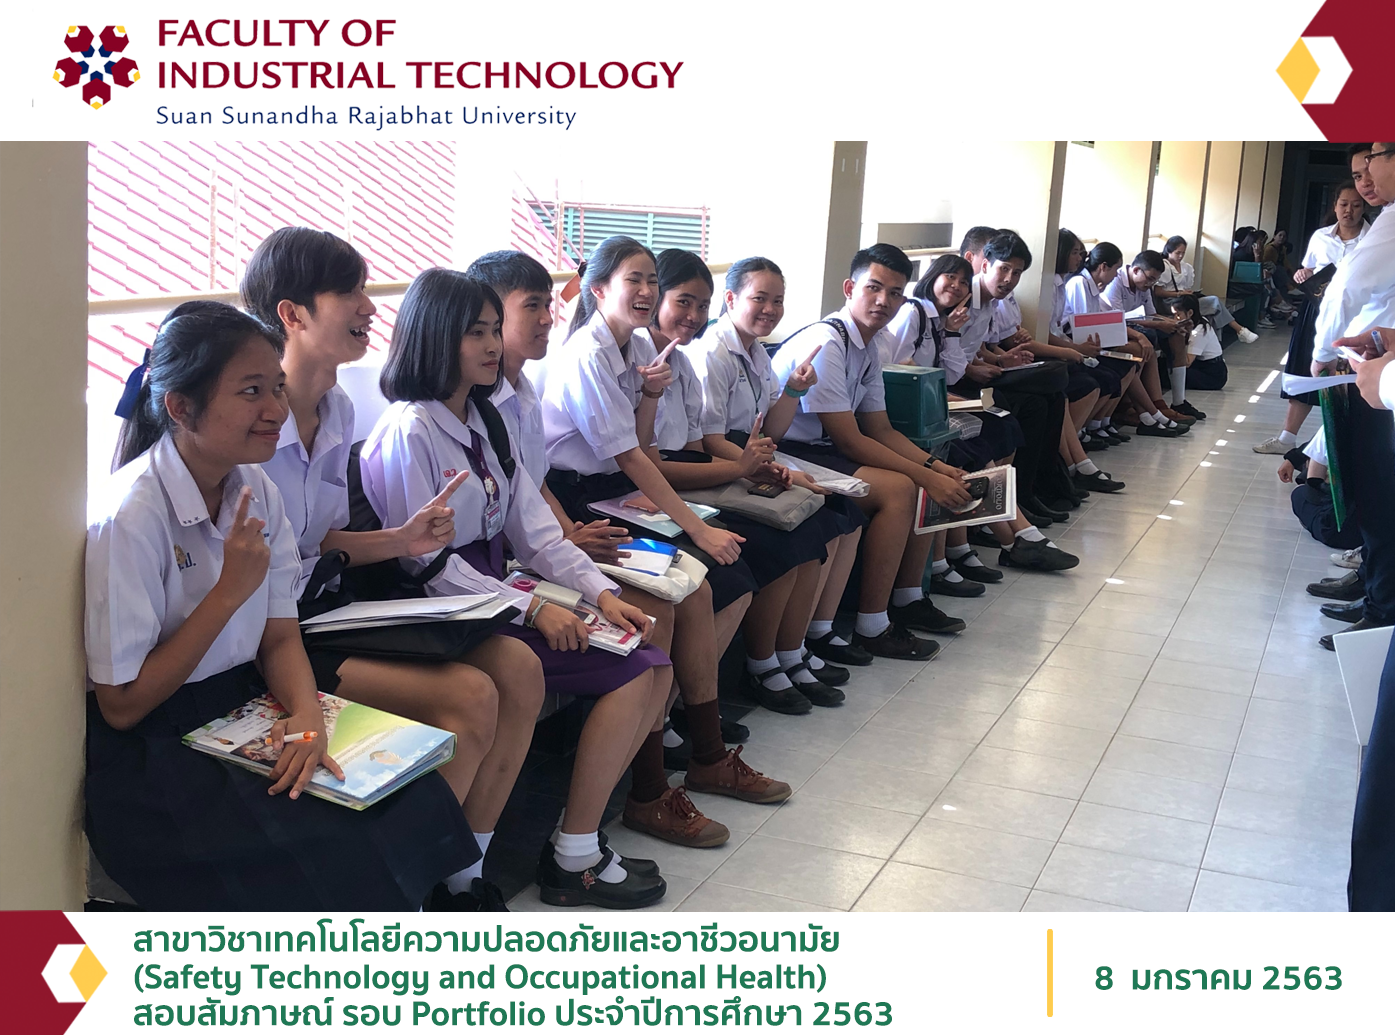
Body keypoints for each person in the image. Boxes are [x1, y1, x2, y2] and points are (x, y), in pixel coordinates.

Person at [86, 301, 480, 910]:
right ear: (181, 408)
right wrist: (228, 592)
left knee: (415, 797)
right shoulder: (131, 516)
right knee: (336, 845)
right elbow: (122, 705)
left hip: (244, 701)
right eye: (251, 392)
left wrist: (307, 716)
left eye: (276, 387)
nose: (275, 410)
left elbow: (279, 636)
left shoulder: (254, 486)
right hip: (160, 744)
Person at [243, 227, 545, 911]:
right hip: (272, 633)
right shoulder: (256, 424)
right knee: (471, 696)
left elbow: (319, 541)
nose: (368, 306)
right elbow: (256, 568)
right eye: (349, 293)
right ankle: (410, 892)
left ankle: (463, 876)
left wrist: (401, 538)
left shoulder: (337, 407)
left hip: (321, 609)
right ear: (292, 314)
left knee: (519, 668)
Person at [360, 268, 673, 909]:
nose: (491, 345)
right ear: (433, 337)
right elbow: (425, 565)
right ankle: (466, 874)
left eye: (491, 330)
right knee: (563, 671)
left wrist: (599, 594)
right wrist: (532, 609)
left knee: (647, 659)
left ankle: (575, 849)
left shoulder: (486, 420)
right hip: (438, 607)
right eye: (474, 333)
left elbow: (536, 532)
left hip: (494, 587)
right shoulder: (409, 429)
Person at [539, 235, 793, 848]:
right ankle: (649, 791)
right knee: (671, 598)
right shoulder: (584, 355)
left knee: (699, 587)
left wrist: (651, 394)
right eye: (635, 280)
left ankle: (707, 754)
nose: (647, 292)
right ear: (598, 289)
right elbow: (630, 456)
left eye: (652, 280)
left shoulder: (634, 348)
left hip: (618, 491)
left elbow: (643, 448)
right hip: (582, 502)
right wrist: (697, 526)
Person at [656, 251, 860, 713]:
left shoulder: (753, 351)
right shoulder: (710, 353)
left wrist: (794, 390)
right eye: (759, 298)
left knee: (835, 515)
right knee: (791, 536)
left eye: (778, 301)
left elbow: (771, 431)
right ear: (731, 300)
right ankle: (763, 663)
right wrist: (759, 468)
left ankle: (794, 649)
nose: (770, 309)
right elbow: (710, 443)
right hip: (715, 463)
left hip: (737, 459)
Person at [1255, 172, 1372, 454]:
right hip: (1317, 311)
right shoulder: (1321, 237)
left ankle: (1343, 445)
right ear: (1335, 206)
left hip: (1359, 315)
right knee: (1306, 369)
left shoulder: (1373, 239)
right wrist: (1302, 274)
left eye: (1356, 205)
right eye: (1344, 204)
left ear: (1364, 207)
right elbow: (1306, 270)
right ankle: (1287, 438)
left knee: (1353, 377)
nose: (1349, 210)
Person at [1154, 235, 1259, 344]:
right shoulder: (1165, 267)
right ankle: (1239, 331)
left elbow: (1186, 286)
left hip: (1184, 300)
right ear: (1169, 251)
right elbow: (1158, 292)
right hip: (1171, 303)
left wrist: (1187, 293)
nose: (1180, 256)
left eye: (1183, 253)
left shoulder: (1185, 267)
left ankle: (1214, 344)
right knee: (1214, 302)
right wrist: (1179, 293)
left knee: (1212, 313)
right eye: (1177, 253)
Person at [1166, 293, 1227, 395]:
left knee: (1171, 374)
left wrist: (1179, 339)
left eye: (1178, 315)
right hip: (1201, 365)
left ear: (1190, 313)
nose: (1175, 319)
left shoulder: (1199, 331)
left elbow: (1187, 363)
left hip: (1212, 374)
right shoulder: (1199, 321)